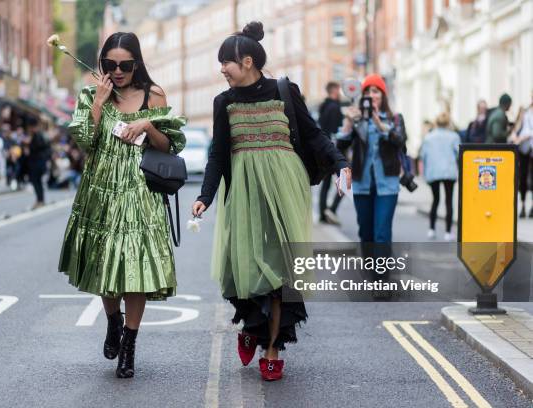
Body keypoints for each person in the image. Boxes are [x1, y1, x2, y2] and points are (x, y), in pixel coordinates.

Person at [191, 22, 350, 382]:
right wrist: (205, 195)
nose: (222, 70)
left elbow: (312, 133)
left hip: (285, 189)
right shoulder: (224, 102)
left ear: (246, 61)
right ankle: (251, 327)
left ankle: (273, 348)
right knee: (244, 268)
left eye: (225, 63)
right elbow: (217, 154)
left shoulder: (284, 90)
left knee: (281, 272)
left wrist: (341, 164)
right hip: (243, 193)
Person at [58, 32, 186, 379]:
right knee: (104, 266)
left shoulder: (153, 94)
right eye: (109, 65)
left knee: (135, 270)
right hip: (101, 190)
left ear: (137, 64)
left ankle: (129, 346)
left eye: (124, 65)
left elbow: (169, 146)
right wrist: (98, 103)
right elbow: (84, 142)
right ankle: (113, 320)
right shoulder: (90, 94)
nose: (116, 71)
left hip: (141, 190)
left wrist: (148, 124)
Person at [336, 74, 405, 295]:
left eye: (376, 91)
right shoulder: (357, 119)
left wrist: (378, 123)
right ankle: (371, 271)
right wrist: (349, 121)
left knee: (382, 233)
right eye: (368, 92)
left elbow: (401, 141)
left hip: (388, 185)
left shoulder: (394, 118)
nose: (372, 96)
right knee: (366, 232)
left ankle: (381, 283)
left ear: (383, 95)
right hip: (363, 184)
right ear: (362, 96)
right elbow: (340, 144)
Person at [420, 112, 460, 241]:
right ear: (448, 122)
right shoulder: (454, 136)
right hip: (449, 171)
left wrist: (424, 174)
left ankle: (431, 229)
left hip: (434, 171)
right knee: (449, 201)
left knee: (435, 200)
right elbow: (459, 154)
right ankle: (448, 232)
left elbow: (423, 156)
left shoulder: (428, 137)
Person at [318, 81, 345, 224]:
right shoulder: (335, 108)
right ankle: (332, 209)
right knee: (346, 181)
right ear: (334, 91)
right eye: (339, 90)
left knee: (326, 184)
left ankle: (323, 214)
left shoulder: (323, 107)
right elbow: (336, 132)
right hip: (334, 151)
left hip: (324, 150)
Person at [510, 91, 533, 218]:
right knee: (523, 178)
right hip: (524, 149)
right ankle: (523, 205)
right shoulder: (526, 111)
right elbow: (518, 128)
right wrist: (516, 136)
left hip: (529, 146)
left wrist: (524, 136)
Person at [23, 118, 50, 209]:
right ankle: (40, 200)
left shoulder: (36, 135)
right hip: (40, 162)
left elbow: (36, 148)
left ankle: (40, 201)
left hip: (37, 163)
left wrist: (28, 144)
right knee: (37, 182)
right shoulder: (40, 134)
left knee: (36, 181)